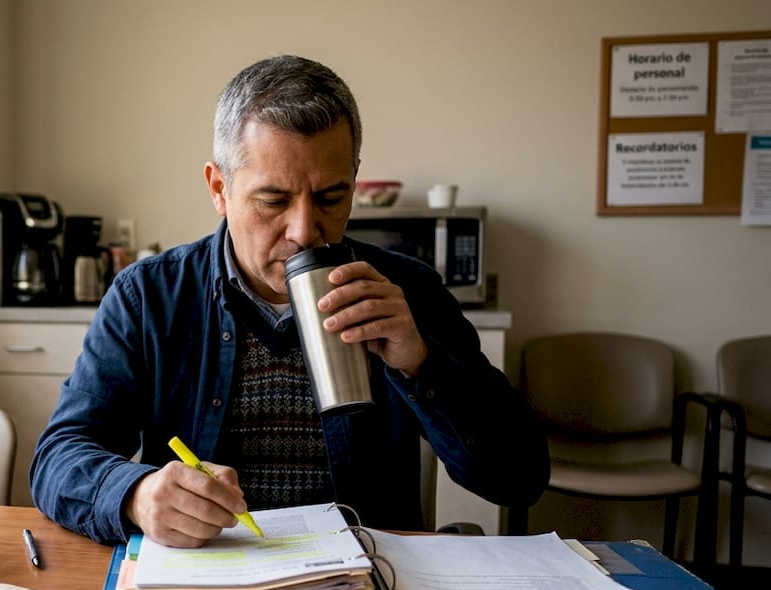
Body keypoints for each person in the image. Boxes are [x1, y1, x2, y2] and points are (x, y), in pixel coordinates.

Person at [30, 54, 549, 547]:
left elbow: (519, 479)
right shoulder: (150, 297)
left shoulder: (408, 292)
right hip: (210, 581)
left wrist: (421, 365)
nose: (305, 232)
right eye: (274, 200)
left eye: (331, 197)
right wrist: (136, 495)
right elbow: (58, 457)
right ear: (218, 187)